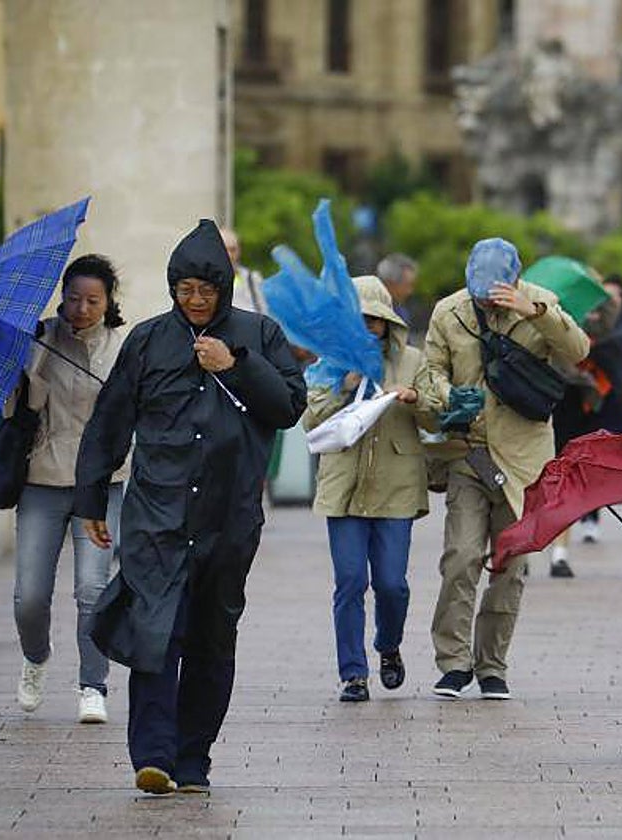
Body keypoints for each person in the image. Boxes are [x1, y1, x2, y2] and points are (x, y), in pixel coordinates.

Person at [75, 220, 307, 796]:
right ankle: (151, 756)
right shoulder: (149, 340)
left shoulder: (260, 333)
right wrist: (91, 497)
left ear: (224, 288)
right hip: (157, 515)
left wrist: (236, 364)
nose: (196, 300)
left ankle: (192, 757)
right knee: (156, 631)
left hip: (228, 520)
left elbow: (288, 408)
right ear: (173, 288)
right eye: (186, 290)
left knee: (210, 638)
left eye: (206, 290)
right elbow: (110, 422)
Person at [416, 237, 588, 699]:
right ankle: (453, 661)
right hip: (468, 453)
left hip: (525, 459)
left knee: (510, 566)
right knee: (461, 558)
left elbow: (578, 349)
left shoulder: (540, 303)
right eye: (479, 292)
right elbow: (431, 368)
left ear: (514, 279)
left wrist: (535, 312)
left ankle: (492, 664)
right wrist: (447, 395)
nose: (486, 301)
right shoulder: (448, 312)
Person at [302, 276, 433, 702]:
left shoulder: (413, 359)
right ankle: (353, 674)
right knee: (350, 581)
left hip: (397, 485)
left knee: (392, 584)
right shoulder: (330, 361)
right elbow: (311, 419)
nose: (367, 328)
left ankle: (388, 645)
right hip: (344, 487)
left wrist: (416, 398)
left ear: (387, 322)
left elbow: (438, 413)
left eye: (374, 320)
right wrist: (343, 384)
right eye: (357, 320)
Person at [13, 254, 127, 725]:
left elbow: (134, 411)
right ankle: (36, 657)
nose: (81, 308)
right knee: (30, 596)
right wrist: (33, 363)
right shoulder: (38, 338)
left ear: (108, 302)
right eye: (74, 298)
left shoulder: (123, 347)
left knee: (92, 589)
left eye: (92, 300)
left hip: (100, 483)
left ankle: (92, 685)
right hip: (42, 476)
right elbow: (18, 411)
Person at [220, 226, 267, 315]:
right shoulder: (207, 280)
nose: (229, 255)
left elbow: (263, 312)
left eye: (233, 250)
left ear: (239, 251)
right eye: (225, 249)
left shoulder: (252, 279)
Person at [376, 253, 418, 325]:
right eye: (407, 285)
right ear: (390, 283)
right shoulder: (368, 313)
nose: (410, 291)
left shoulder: (401, 312)